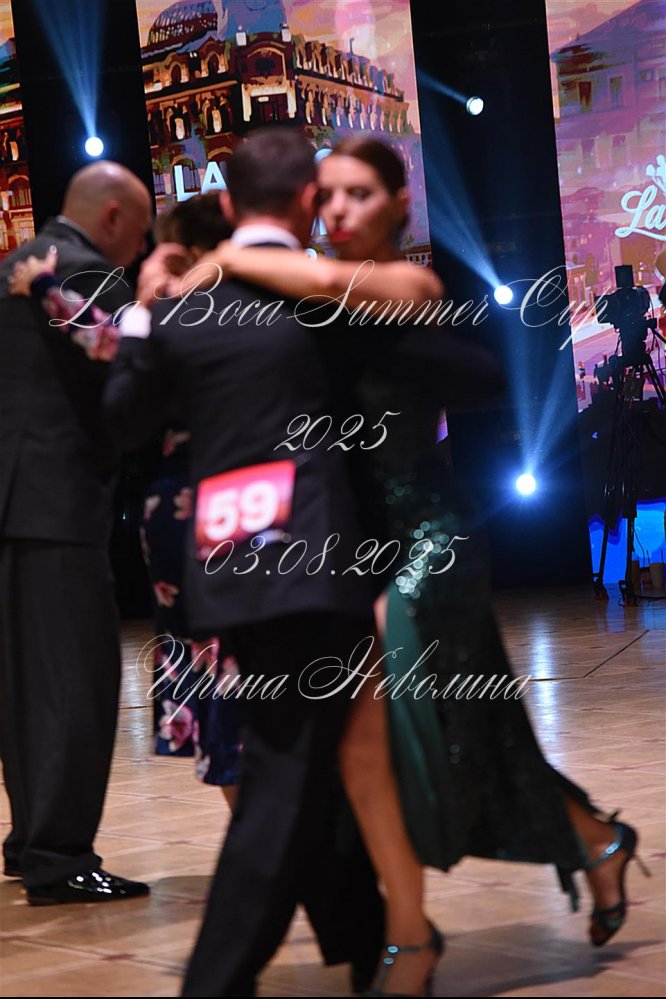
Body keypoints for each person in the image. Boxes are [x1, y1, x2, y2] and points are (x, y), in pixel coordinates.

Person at [184, 136, 648, 996]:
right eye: (328, 194)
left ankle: (411, 935)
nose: (339, 209)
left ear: (400, 205)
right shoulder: (304, 287)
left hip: (429, 539)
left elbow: (308, 281)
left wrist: (222, 257)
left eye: (359, 193)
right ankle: (590, 843)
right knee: (463, 730)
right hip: (350, 542)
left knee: (394, 733)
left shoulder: (406, 285)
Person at [103, 128, 388, 997]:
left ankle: (366, 936)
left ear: (227, 204)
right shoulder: (330, 296)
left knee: (295, 758)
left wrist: (146, 308)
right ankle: (222, 979)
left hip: (227, 564)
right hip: (322, 562)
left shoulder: (180, 310)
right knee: (286, 770)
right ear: (309, 202)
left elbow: (122, 423)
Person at [0, 161, 153, 904]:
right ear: (114, 216)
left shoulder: (16, 262)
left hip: (14, 504)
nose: (141, 247)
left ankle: (31, 840)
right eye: (142, 230)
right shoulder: (82, 269)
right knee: (74, 682)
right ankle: (60, 857)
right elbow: (121, 365)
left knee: (26, 686)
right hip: (56, 506)